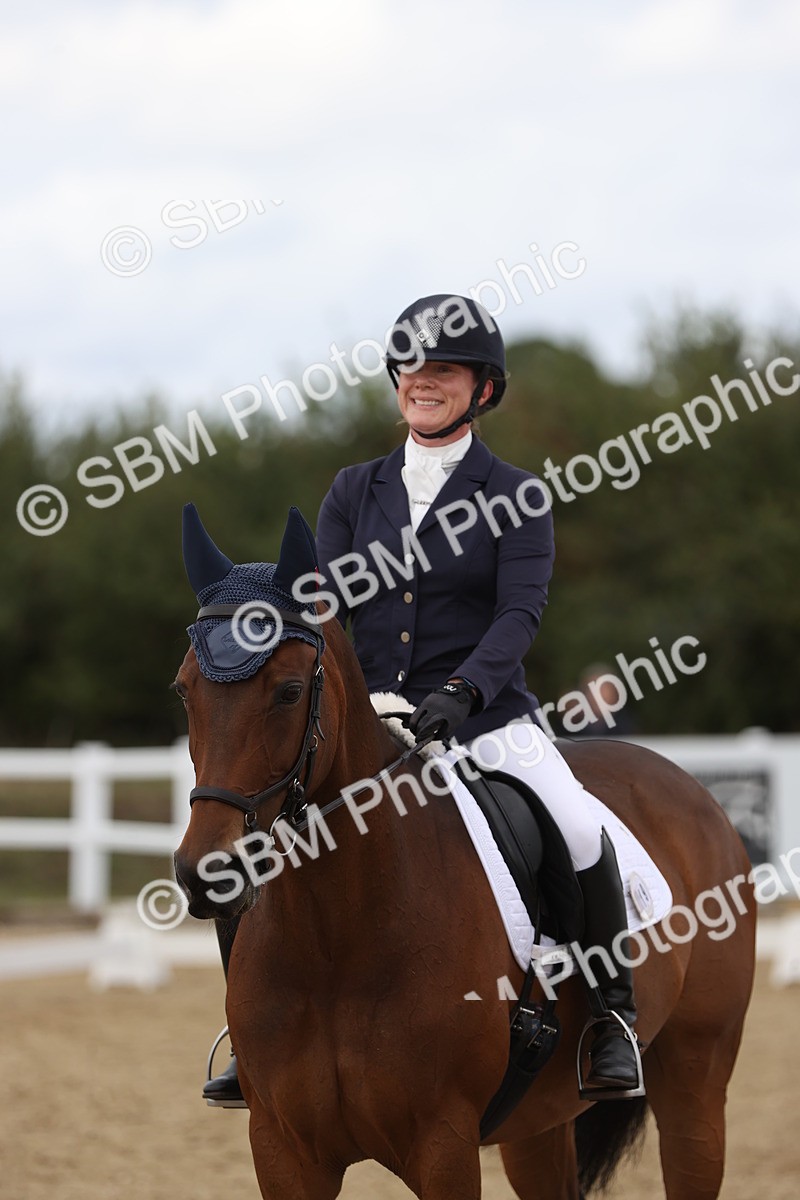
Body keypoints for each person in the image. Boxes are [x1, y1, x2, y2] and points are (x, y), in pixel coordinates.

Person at [203, 294, 641, 1104]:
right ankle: (250, 1033)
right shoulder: (352, 490)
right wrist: (354, 698)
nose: (422, 381)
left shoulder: (518, 495)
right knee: (261, 838)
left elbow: (519, 614)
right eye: (412, 368)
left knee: (577, 825)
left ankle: (610, 1017)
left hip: (487, 719)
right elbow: (325, 605)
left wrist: (463, 692)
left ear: (483, 389)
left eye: (443, 370)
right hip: (368, 718)